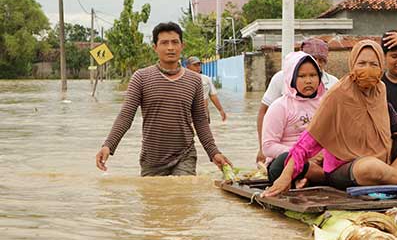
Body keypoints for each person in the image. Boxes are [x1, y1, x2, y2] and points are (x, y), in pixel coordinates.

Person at [262, 40, 397, 197]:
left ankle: (391, 175)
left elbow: (394, 126)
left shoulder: (380, 89)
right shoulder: (338, 94)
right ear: (352, 65)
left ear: (381, 66)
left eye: (373, 64)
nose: (367, 69)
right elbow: (309, 139)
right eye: (361, 63)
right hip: (346, 166)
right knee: (369, 167)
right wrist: (286, 175)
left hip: (381, 157)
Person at [95, 22, 232, 176]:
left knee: (183, 195)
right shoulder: (141, 78)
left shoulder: (194, 80)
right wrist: (108, 145)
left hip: (184, 156)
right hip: (152, 159)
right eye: (164, 43)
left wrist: (214, 152)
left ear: (182, 46)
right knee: (155, 198)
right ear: (155, 47)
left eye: (175, 42)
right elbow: (126, 115)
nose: (170, 48)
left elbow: (200, 120)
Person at [256, 38, 338, 163]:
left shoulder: (331, 91)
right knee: (286, 161)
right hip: (287, 157)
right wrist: (261, 148)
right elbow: (264, 115)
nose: (308, 80)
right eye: (302, 76)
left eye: (321, 60)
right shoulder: (280, 97)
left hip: (318, 158)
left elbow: (334, 131)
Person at [261, 51, 326, 184]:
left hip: (319, 161)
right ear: (291, 78)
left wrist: (324, 154)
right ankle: (318, 178)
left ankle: (308, 179)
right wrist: (301, 155)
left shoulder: (325, 104)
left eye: (313, 75)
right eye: (301, 76)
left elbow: (333, 137)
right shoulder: (279, 106)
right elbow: (268, 146)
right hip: (287, 163)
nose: (308, 80)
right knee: (282, 162)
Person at [185, 56, 227, 122]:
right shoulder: (183, 80)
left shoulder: (206, 79)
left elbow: (213, 96)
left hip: (204, 113)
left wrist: (221, 110)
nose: (198, 67)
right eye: (195, 65)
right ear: (187, 67)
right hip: (188, 114)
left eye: (199, 65)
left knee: (205, 132)